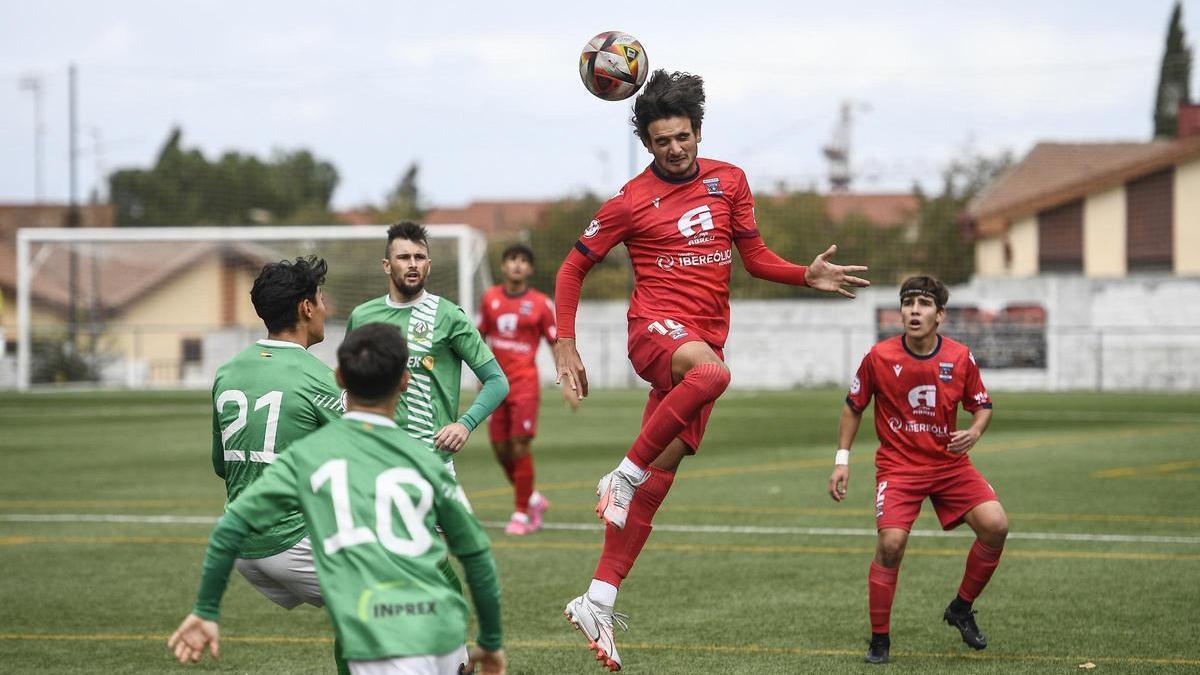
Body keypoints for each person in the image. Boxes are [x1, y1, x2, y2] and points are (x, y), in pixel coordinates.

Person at [553, 69, 870, 671]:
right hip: (656, 334)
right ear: (647, 143)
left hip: (704, 339)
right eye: (662, 140)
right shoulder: (628, 201)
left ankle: (598, 598)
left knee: (658, 483)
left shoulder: (731, 182)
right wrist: (565, 343)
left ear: (698, 132)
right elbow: (572, 269)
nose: (674, 149)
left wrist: (805, 273)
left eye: (683, 137)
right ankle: (618, 475)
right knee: (713, 378)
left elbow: (754, 259)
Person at [169, 323, 506, 675]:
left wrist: (206, 609)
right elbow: (478, 557)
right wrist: (492, 642)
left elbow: (232, 525)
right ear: (405, 381)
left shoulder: (307, 456)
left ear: (340, 377)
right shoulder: (425, 465)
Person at [828, 276, 1006, 664]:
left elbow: (982, 405)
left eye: (924, 304)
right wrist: (842, 461)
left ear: (940, 315)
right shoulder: (879, 356)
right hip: (900, 467)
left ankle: (961, 607)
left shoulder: (960, 357)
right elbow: (852, 406)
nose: (913, 310)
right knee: (890, 546)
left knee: (996, 526)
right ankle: (879, 640)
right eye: (908, 303)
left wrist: (974, 431)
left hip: (949, 464)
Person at [209, 256, 347, 669]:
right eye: (321, 299)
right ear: (306, 307)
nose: (325, 309)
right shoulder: (318, 378)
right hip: (289, 541)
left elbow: (222, 464)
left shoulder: (227, 372)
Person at [346, 221, 509, 469]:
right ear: (387, 266)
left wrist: (465, 424)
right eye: (403, 257)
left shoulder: (449, 316)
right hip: (375, 460)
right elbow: (348, 386)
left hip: (431, 463)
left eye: (419, 257)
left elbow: (497, 381)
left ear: (429, 266)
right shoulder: (362, 316)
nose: (413, 264)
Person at [477, 243, 558, 535]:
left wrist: (567, 375)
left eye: (523, 261)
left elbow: (555, 341)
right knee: (500, 448)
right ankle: (533, 498)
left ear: (530, 269)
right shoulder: (490, 299)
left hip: (524, 384)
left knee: (519, 445)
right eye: (512, 260)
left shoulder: (540, 302)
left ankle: (521, 513)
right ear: (503, 266)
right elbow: (478, 339)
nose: (517, 265)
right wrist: (479, 376)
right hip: (495, 385)